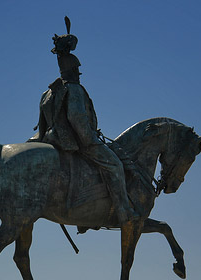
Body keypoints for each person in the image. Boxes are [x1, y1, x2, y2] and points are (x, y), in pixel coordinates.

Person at [30, 19, 140, 225]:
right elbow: (77, 120)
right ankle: (124, 211)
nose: (79, 74)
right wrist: (91, 140)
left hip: (49, 140)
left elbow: (42, 123)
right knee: (115, 165)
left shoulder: (48, 92)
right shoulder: (74, 90)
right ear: (72, 70)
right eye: (78, 70)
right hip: (75, 141)